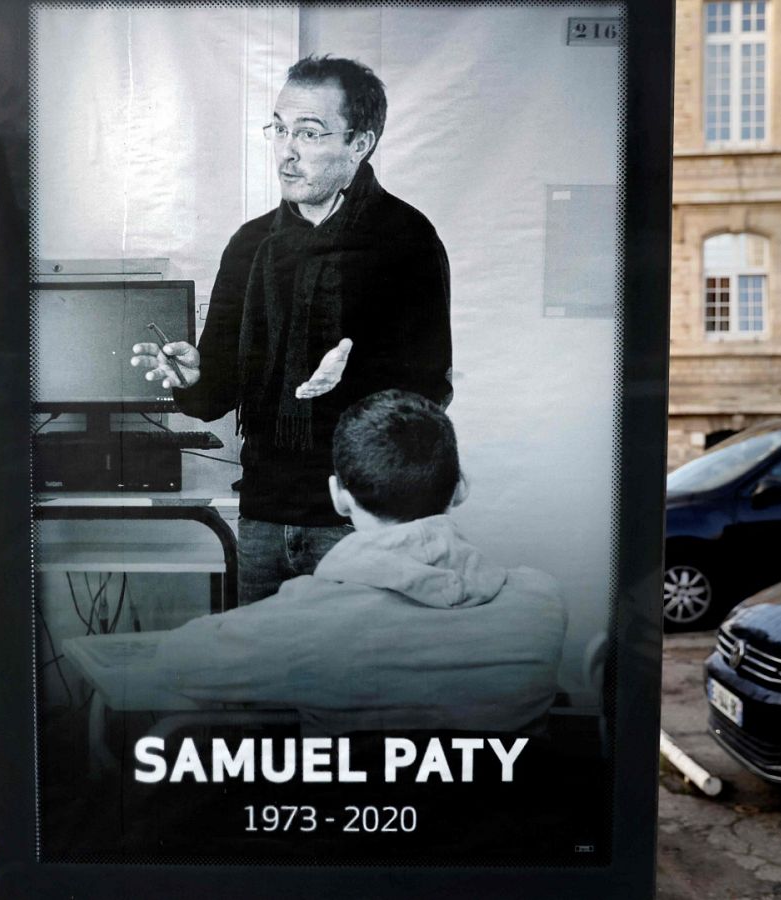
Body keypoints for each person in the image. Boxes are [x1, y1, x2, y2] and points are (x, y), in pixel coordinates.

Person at [132, 55, 453, 605]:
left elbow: (429, 399)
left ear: (361, 143)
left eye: (308, 132)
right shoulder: (250, 245)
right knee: (265, 686)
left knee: (352, 687)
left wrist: (352, 383)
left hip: (360, 525)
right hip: (262, 520)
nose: (287, 150)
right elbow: (214, 398)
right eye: (280, 129)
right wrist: (191, 376)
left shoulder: (407, 241)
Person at [152, 390, 566, 734]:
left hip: (354, 827)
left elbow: (176, 663)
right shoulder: (541, 604)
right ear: (460, 488)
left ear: (339, 496)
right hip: (488, 831)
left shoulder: (305, 618)